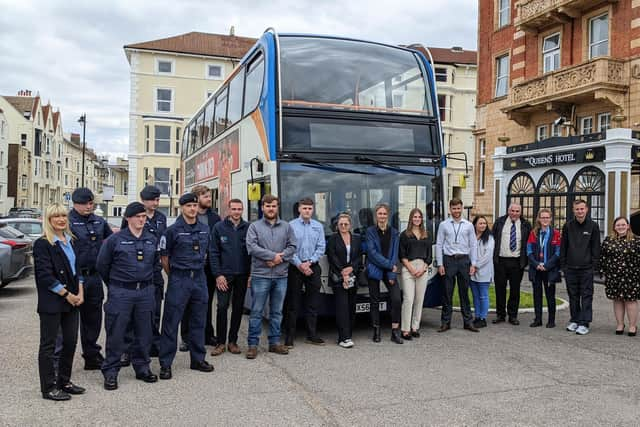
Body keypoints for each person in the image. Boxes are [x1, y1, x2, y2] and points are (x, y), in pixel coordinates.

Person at [96, 202, 159, 390]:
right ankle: (111, 372)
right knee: (116, 332)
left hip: (145, 292)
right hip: (121, 291)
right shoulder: (115, 240)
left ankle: (142, 368)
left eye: (143, 216)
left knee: (144, 331)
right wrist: (116, 285)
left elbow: (155, 265)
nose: (141, 220)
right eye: (137, 216)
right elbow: (102, 265)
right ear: (128, 218)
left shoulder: (151, 239)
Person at [158, 193, 215, 379]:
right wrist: (173, 275)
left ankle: (197, 359)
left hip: (199, 278)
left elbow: (207, 253)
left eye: (195, 205)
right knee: (171, 322)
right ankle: (165, 364)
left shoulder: (205, 229)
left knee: (199, 321)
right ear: (182, 208)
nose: (192, 209)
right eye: (189, 205)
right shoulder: (172, 231)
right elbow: (164, 258)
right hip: (179, 279)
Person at [34, 203, 85, 401]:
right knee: (49, 345)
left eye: (63, 215)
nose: (61, 219)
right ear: (48, 220)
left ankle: (64, 381)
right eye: (56, 216)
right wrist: (67, 294)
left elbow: (77, 270)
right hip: (53, 302)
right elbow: (45, 276)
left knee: (70, 343)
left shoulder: (71, 240)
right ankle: (48, 387)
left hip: (72, 300)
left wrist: (79, 292)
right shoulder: (43, 243)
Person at [245, 194, 297, 359]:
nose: (271, 209)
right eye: (267, 206)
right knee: (257, 311)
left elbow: (293, 246)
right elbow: (252, 247)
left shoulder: (287, 227)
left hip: (281, 276)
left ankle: (274, 343)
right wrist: (271, 256)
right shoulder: (254, 227)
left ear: (277, 207)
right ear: (262, 207)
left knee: (277, 312)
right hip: (261, 275)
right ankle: (252, 345)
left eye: (273, 206)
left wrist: (279, 258)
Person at [120, 185, 167, 366]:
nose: (155, 203)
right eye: (151, 200)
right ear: (143, 200)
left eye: (157, 200)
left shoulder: (161, 218)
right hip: (135, 268)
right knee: (130, 313)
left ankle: (153, 344)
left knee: (154, 310)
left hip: (154, 268)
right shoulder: (134, 215)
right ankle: (127, 349)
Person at [68, 187, 113, 370]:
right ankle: (63, 360)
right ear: (75, 203)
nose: (89, 206)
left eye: (91, 203)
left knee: (93, 319)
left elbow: (111, 243)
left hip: (93, 277)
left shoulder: (99, 222)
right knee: (68, 322)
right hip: (73, 278)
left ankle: (91, 355)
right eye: (85, 203)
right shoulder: (67, 221)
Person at [181, 185, 221, 352]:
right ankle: (186, 337)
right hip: (190, 267)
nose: (209, 199)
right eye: (205, 196)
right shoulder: (186, 217)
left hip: (209, 268)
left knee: (206, 301)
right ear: (196, 199)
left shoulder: (215, 218)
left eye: (209, 195)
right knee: (187, 303)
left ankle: (207, 334)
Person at [283, 198, 327, 347]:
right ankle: (290, 337)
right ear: (299, 209)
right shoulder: (291, 226)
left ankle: (312, 334)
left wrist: (310, 262)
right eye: (304, 208)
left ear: (312, 210)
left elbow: (321, 247)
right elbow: (288, 247)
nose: (307, 211)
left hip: (312, 266)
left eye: (310, 208)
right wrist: (300, 264)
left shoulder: (318, 226)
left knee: (313, 303)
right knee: (293, 304)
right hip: (295, 267)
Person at [209, 199, 251, 356]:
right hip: (224, 276)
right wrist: (218, 275)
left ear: (242, 210)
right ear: (228, 210)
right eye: (234, 209)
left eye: (239, 209)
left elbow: (252, 252)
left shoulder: (248, 228)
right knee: (221, 307)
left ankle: (232, 341)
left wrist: (250, 274)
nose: (236, 212)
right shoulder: (219, 228)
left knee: (238, 308)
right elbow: (213, 252)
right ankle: (220, 342)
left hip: (242, 274)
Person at [435, 198, 479, 333]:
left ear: (462, 208)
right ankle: (445, 322)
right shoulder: (444, 225)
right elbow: (439, 244)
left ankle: (468, 322)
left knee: (464, 293)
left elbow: (473, 244)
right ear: (450, 209)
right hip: (449, 260)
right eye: (454, 208)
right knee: (447, 293)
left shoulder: (468, 225)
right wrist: (440, 263)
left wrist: (474, 263)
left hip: (464, 260)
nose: (456, 211)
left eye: (458, 208)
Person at [560, 199, 601, 335]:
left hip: (586, 268)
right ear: (573, 210)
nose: (580, 211)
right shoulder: (568, 226)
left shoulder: (593, 226)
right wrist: (564, 266)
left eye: (582, 209)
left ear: (586, 209)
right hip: (570, 268)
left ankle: (584, 323)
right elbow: (563, 247)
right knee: (573, 295)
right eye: (577, 209)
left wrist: (593, 266)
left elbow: (596, 248)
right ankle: (575, 320)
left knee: (586, 295)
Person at [366, 203, 402, 343]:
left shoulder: (394, 232)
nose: (382, 216)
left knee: (396, 299)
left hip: (390, 270)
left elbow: (394, 254)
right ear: (376, 215)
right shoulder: (370, 232)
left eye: (384, 214)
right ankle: (376, 330)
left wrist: (392, 273)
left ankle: (395, 331)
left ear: (388, 215)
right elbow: (372, 253)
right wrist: (390, 265)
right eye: (380, 214)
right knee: (375, 301)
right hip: (375, 268)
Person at [491, 203, 531, 325]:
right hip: (501, 261)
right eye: (512, 210)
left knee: (515, 290)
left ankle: (513, 315)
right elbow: (492, 239)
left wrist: (525, 262)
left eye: (517, 211)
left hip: (517, 262)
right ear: (508, 210)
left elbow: (528, 243)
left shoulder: (525, 224)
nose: (514, 213)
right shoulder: (499, 222)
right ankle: (500, 315)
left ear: (520, 212)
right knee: (500, 289)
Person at [599, 216, 640, 336]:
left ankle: (632, 326)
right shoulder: (608, 240)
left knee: (630, 301)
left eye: (623, 225)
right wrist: (602, 272)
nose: (621, 227)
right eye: (618, 225)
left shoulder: (637, 241)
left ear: (628, 226)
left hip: (631, 277)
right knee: (617, 300)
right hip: (613, 276)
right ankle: (620, 324)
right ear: (614, 227)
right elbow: (603, 257)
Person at [326, 213, 361, 348]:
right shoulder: (333, 239)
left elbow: (359, 257)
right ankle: (343, 338)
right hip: (338, 277)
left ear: (350, 225)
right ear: (337, 226)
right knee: (342, 308)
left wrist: (351, 268)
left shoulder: (356, 239)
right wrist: (343, 272)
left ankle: (349, 334)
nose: (343, 226)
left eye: (346, 224)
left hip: (353, 276)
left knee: (351, 306)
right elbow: (332, 257)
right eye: (341, 224)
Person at [399, 208, 432, 340]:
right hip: (409, 268)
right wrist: (412, 269)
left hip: (422, 268)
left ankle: (415, 327)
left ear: (421, 219)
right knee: (408, 299)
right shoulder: (404, 235)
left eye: (419, 217)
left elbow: (429, 256)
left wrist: (423, 268)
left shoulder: (426, 234)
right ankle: (405, 329)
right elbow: (402, 255)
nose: (417, 219)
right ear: (411, 218)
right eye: (414, 217)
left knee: (419, 300)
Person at [526, 209, 561, 329]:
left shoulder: (556, 234)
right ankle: (538, 319)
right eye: (543, 217)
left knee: (550, 295)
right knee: (537, 295)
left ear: (550, 219)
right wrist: (536, 264)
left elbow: (558, 253)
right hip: (536, 269)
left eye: (547, 217)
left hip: (549, 269)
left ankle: (551, 320)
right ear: (539, 219)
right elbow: (529, 251)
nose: (545, 220)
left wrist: (546, 265)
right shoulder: (533, 233)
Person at [470, 215, 494, 329]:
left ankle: (483, 318)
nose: (483, 225)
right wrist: (471, 266)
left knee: (483, 295)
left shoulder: (489, 238)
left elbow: (487, 256)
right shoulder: (471, 237)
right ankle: (477, 316)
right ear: (475, 224)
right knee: (475, 296)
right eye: (480, 223)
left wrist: (476, 265)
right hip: (472, 271)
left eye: (484, 223)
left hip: (484, 271)